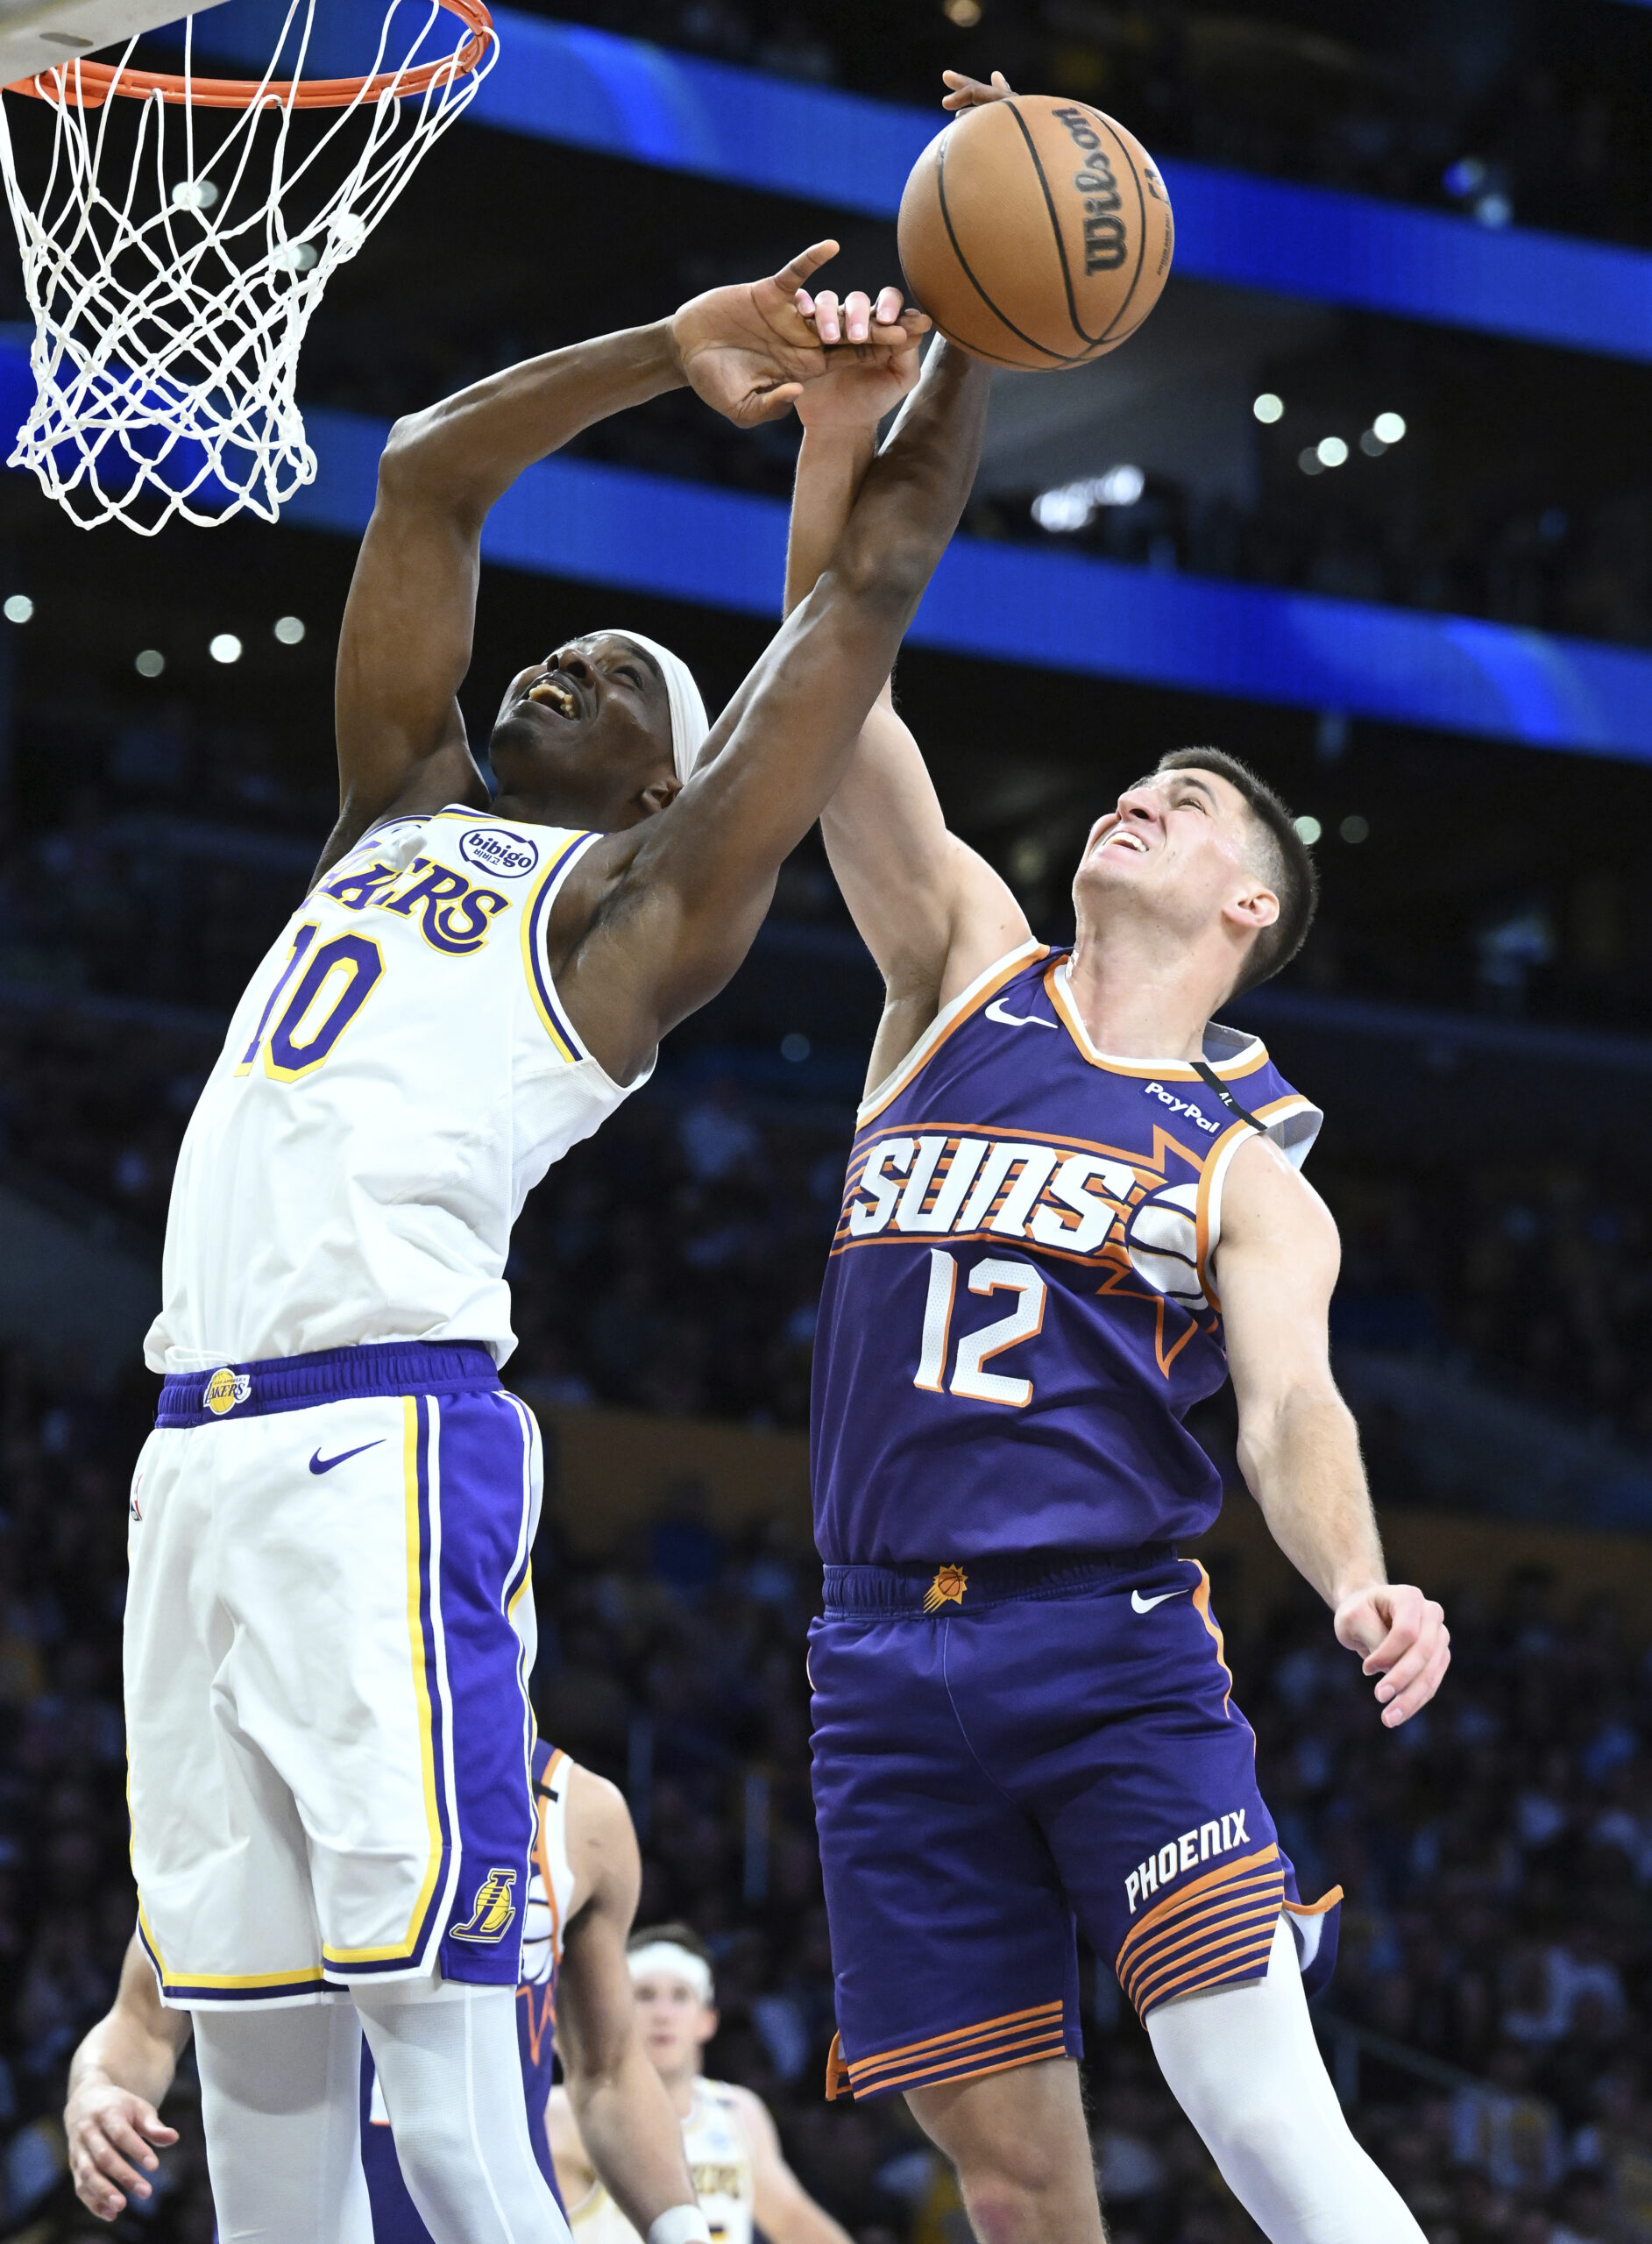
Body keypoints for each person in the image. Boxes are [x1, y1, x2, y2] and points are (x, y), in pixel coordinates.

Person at [124, 234, 992, 2244]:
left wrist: (975, 358)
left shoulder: (634, 914)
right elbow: (428, 470)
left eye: (614, 670)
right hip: (193, 1457)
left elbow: (862, 595)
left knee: (441, 2068)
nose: (562, 659)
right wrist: (669, 351)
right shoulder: (388, 811)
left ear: (668, 772)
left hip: (380, 1437)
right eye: (561, 647)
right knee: (256, 2080)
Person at [780, 82, 1450, 2244]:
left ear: (1252, 909)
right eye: (1138, 784)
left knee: (1262, 2114)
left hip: (1111, 1645)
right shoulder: (954, 968)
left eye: (1197, 804)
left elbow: (1290, 1402)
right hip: (874, 1652)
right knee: (1008, 2164)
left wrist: (1350, 1578)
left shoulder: (1254, 1157)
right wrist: (851, 424)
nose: (1148, 803)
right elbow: (824, 697)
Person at [67, 1743, 697, 2238]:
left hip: (493, 2220)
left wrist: (684, 2231)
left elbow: (608, 2069)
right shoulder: (250, 1800)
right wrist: (97, 2087)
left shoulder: (579, 1814)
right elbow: (143, 2022)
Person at [550, 1925, 853, 2244]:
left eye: (680, 1996)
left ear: (707, 2020)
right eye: (645, 1995)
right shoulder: (566, 2110)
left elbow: (792, 2221)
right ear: (618, 2011)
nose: (662, 2014)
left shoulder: (738, 2112)